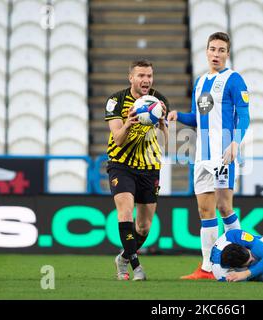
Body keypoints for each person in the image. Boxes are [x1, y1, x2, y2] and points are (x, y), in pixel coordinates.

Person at [167, 32, 250, 279]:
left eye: (221, 50)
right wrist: (177, 116)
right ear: (206, 51)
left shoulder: (234, 80)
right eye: (212, 49)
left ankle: (243, 257)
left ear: (227, 53)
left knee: (224, 206)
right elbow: (196, 118)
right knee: (205, 211)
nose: (216, 54)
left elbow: (244, 115)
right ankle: (207, 267)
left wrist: (235, 143)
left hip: (223, 154)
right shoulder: (200, 82)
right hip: (201, 157)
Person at [105, 59, 169, 281]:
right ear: (131, 78)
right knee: (125, 212)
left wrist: (161, 124)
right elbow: (118, 140)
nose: (146, 80)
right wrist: (129, 123)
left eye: (149, 76)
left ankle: (123, 257)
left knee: (143, 227)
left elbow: (164, 145)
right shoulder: (116, 101)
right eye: (141, 76)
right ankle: (135, 266)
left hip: (150, 168)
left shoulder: (159, 102)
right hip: (121, 165)